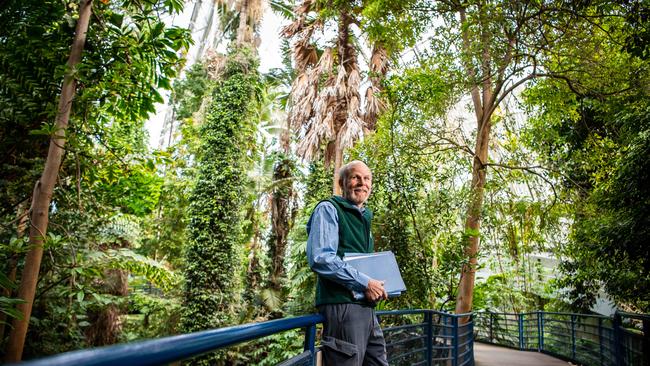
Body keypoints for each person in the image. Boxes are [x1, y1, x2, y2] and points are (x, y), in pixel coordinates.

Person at [306, 160, 389, 366]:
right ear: (342, 183)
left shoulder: (365, 216)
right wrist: (365, 283)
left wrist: (376, 287)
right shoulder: (329, 209)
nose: (362, 183)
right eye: (355, 177)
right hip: (341, 305)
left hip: (367, 308)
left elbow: (363, 263)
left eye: (367, 178)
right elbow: (321, 258)